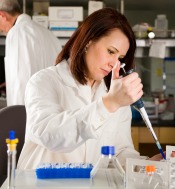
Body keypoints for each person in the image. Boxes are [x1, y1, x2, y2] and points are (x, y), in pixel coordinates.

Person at [17, 7, 164, 170]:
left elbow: (119, 152)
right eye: (110, 51)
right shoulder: (43, 81)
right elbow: (50, 136)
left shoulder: (112, 93)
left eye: (120, 58)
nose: (114, 63)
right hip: (39, 183)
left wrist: (148, 166)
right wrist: (108, 104)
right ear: (88, 41)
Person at [0, 0, 62, 106]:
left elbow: (20, 82)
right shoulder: (48, 33)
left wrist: (16, 117)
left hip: (29, 113)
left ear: (2, 15)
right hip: (53, 109)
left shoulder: (17, 32)